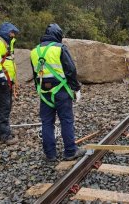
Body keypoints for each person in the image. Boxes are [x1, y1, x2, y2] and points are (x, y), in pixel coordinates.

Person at [30, 24, 85, 162]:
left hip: (44, 92)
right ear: (58, 36)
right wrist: (76, 88)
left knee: (47, 122)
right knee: (66, 120)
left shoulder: (34, 51)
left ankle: (50, 154)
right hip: (61, 91)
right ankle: (70, 151)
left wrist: (40, 89)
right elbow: (70, 70)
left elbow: (35, 74)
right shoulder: (60, 48)